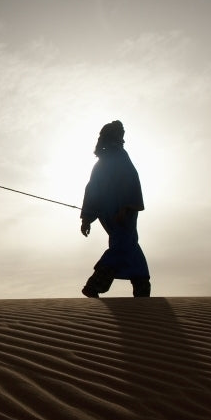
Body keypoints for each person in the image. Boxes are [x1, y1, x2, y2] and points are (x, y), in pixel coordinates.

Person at [79, 120, 151, 298]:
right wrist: (126, 207)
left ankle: (142, 288)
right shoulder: (119, 156)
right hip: (123, 213)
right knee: (121, 246)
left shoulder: (101, 163)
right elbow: (131, 181)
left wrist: (87, 217)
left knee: (130, 247)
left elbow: (91, 190)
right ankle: (94, 285)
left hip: (110, 214)